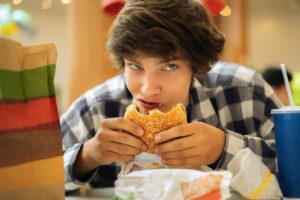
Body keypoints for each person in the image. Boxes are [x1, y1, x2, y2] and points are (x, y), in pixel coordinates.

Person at [61, 0, 281, 191]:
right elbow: (32, 178)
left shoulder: (246, 90)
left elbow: (293, 166)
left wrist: (222, 149)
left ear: (196, 66)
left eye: (169, 67)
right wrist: (86, 157)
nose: (147, 89)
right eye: (135, 65)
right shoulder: (97, 107)